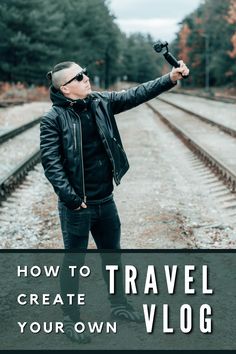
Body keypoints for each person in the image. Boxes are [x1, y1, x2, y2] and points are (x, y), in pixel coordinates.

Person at [40, 60, 189, 342]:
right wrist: (72, 200)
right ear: (66, 88)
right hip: (78, 206)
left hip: (105, 200)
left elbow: (135, 94)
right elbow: (52, 164)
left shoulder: (100, 103)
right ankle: (71, 319)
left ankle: (119, 305)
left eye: (85, 73)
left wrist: (169, 78)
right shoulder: (53, 119)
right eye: (79, 76)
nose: (87, 78)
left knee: (113, 257)